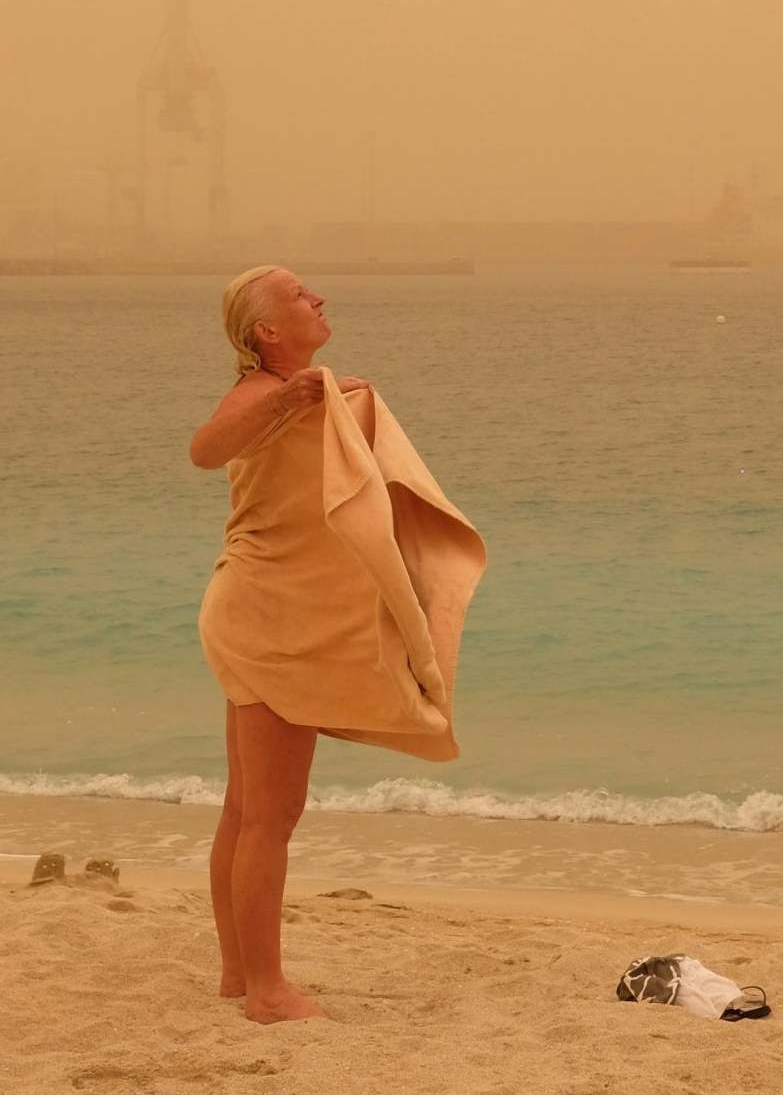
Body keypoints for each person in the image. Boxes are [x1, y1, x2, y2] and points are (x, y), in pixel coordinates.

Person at [190, 265, 486, 1024]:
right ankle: (266, 990)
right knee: (269, 818)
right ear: (266, 332)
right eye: (298, 296)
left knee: (244, 808)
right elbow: (204, 448)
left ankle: (236, 974)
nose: (316, 298)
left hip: (274, 614)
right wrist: (291, 396)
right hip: (270, 621)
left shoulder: (323, 394)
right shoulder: (259, 395)